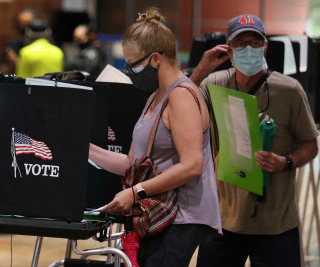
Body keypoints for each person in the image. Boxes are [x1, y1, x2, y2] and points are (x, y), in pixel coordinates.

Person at [88, 8, 221, 267]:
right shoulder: (154, 96)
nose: (129, 71)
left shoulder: (181, 95)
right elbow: (131, 163)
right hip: (159, 214)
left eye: (133, 64)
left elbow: (192, 165)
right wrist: (85, 149)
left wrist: (136, 192)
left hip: (183, 216)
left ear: (156, 59)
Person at [190, 14, 319, 267]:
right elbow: (181, 107)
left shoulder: (290, 90)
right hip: (223, 221)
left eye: (255, 42)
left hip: (276, 226)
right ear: (229, 48)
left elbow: (311, 144)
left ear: (265, 46)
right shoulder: (214, 84)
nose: (248, 48)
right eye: (240, 43)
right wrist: (202, 69)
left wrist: (286, 162)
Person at [0, 8, 39, 74]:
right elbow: (3, 71)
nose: (23, 28)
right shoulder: (14, 44)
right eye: (21, 24)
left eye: (27, 24)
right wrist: (11, 64)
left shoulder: (43, 45)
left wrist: (17, 62)